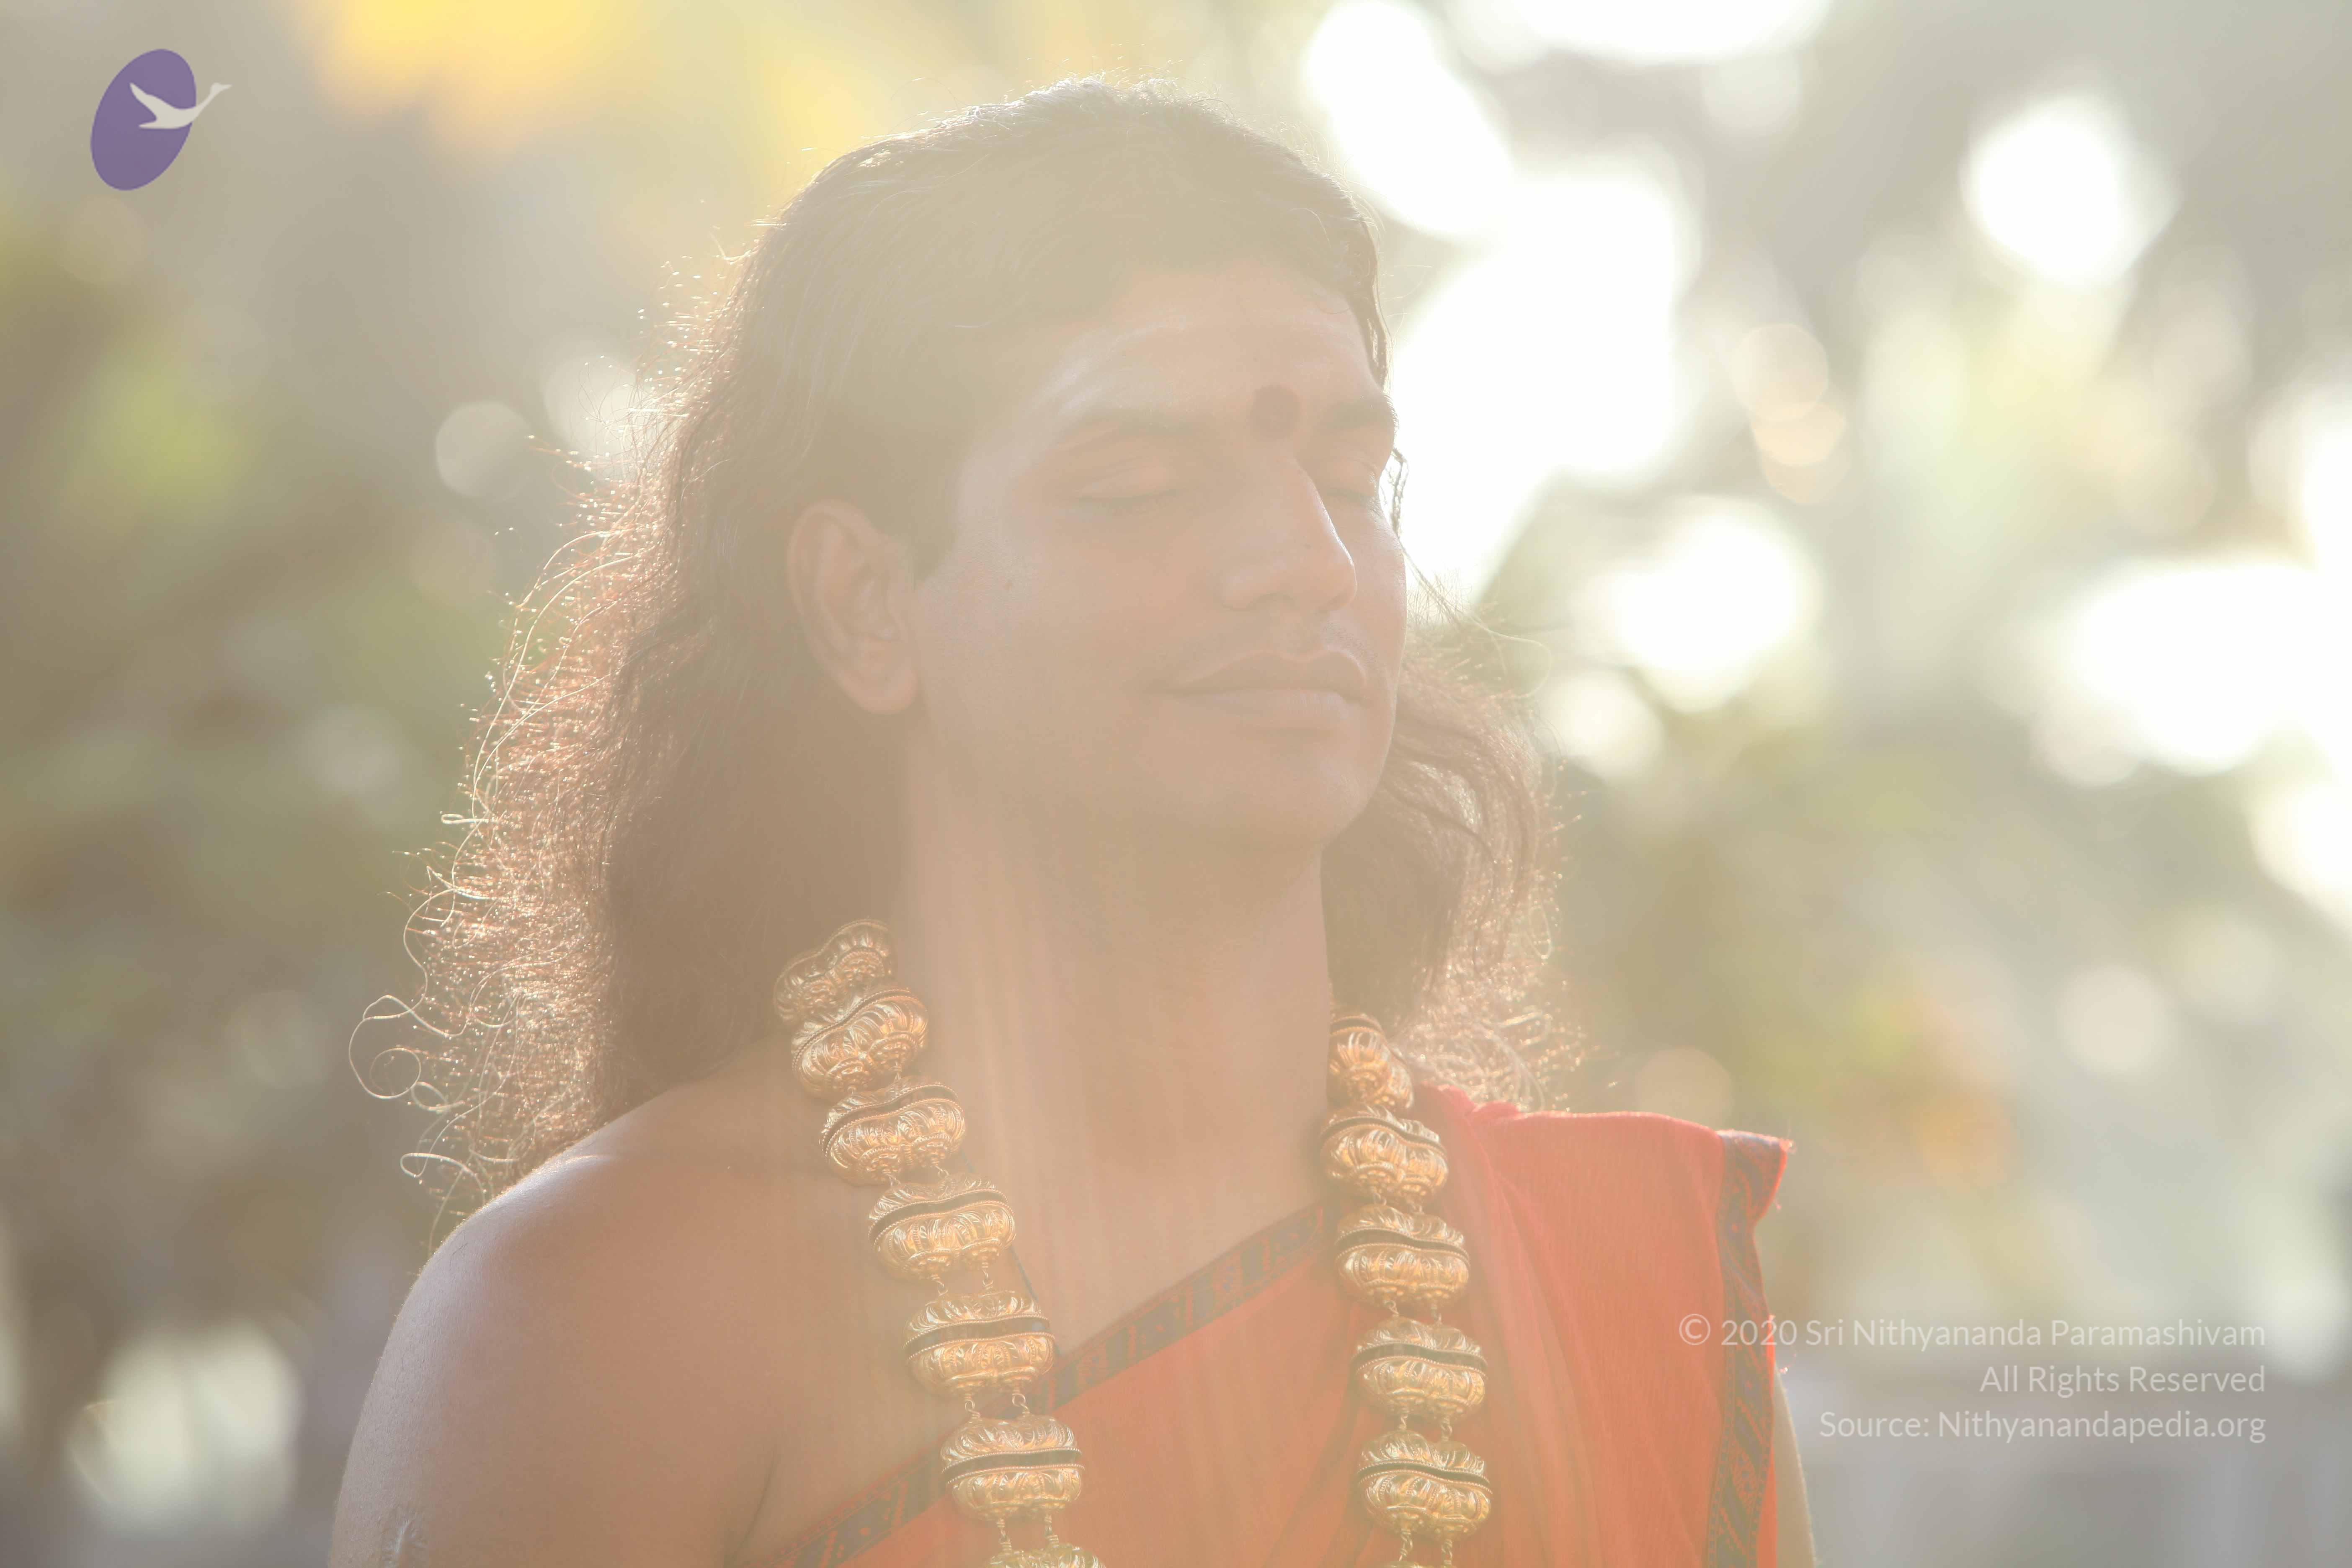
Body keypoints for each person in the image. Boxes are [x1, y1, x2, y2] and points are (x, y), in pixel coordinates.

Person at [332, 76, 1814, 1568]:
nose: (1304, 560)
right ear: (863, 604)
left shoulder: (1632, 1284)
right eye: (1139, 488)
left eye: (1348, 481)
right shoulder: (608, 1315)